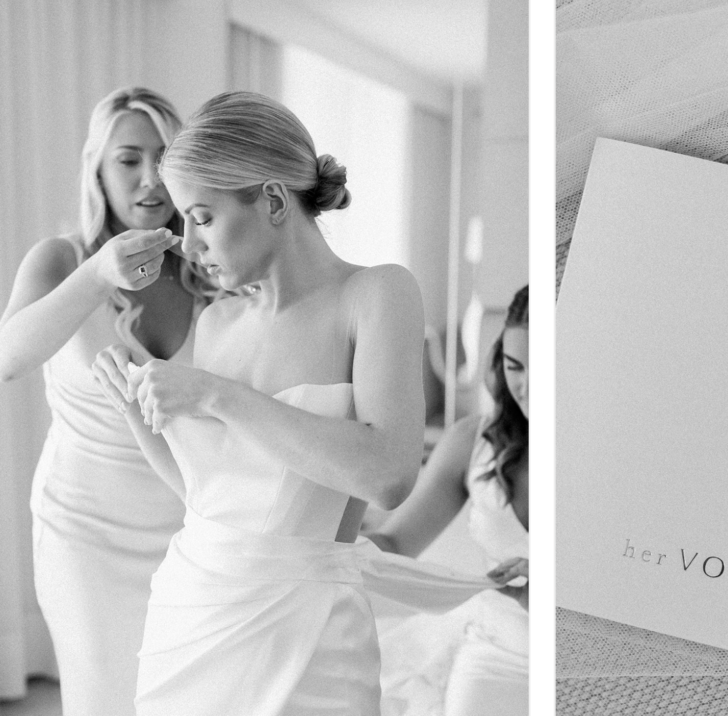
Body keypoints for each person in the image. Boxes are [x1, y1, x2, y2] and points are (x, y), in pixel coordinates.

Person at [91, 90, 497, 715]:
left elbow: (388, 474)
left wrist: (219, 396)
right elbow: (210, 495)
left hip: (307, 626)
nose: (190, 247)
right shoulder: (219, 322)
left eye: (201, 216)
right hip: (192, 607)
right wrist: (132, 410)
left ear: (273, 200)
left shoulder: (376, 294)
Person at [0, 87, 220, 716]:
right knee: (102, 697)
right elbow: (8, 358)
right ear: (98, 166)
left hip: (183, 521)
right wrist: (97, 275)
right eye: (129, 159)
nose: (150, 178)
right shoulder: (60, 259)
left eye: (165, 157)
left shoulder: (209, 268)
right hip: (84, 532)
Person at [367, 285, 529, 716]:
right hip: (496, 655)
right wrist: (327, 548)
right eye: (515, 367)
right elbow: (396, 544)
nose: (526, 387)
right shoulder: (472, 442)